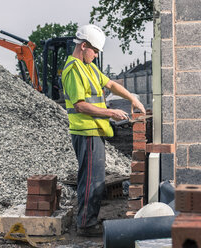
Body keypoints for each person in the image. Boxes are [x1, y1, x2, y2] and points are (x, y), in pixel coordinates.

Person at [61, 24, 145, 237]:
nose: (96, 55)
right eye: (95, 50)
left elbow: (111, 84)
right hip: (86, 131)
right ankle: (86, 225)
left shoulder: (88, 67)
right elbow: (80, 105)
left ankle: (88, 220)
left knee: (94, 178)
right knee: (91, 180)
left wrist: (132, 98)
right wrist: (111, 113)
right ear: (83, 46)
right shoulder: (73, 69)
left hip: (95, 130)